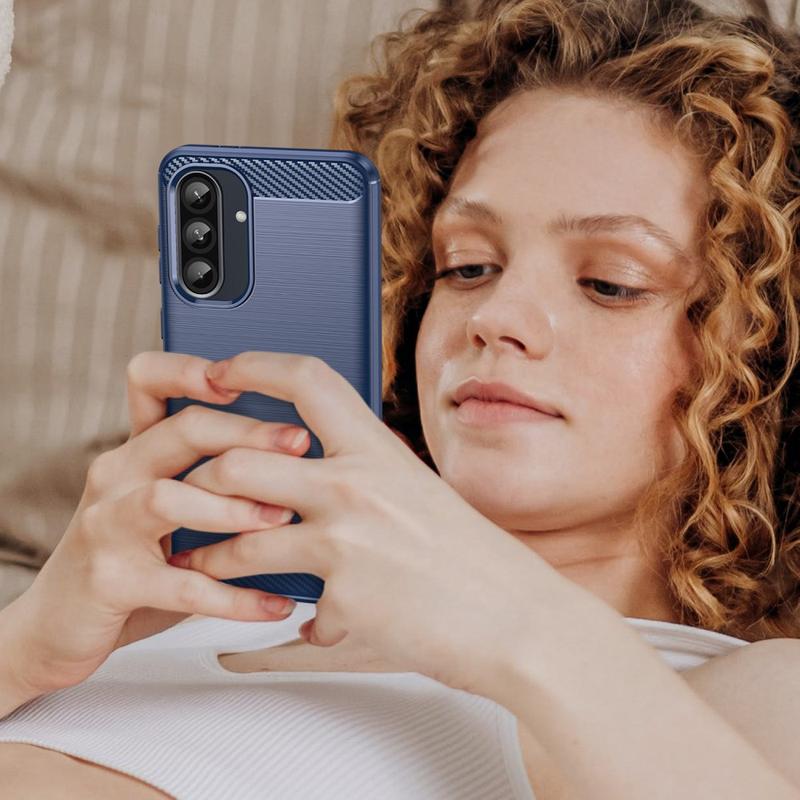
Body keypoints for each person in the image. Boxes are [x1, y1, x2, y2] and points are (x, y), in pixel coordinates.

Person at [0, 0, 799, 798]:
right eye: (468, 267)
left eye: (610, 283)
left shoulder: (739, 694)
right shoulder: (144, 617)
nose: (494, 317)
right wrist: (25, 646)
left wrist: (511, 614)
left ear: (764, 356)